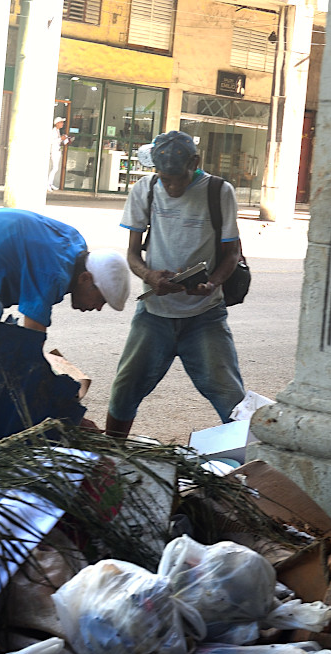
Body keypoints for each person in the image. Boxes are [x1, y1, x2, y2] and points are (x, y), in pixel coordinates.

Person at [104, 131, 245, 438]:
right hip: (154, 314)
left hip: (205, 315)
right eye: (164, 178)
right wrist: (149, 276)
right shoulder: (146, 189)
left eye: (176, 178)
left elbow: (232, 252)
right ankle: (109, 456)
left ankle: (253, 468)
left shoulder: (219, 192)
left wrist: (212, 283)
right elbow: (131, 253)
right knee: (124, 390)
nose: (170, 185)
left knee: (231, 399)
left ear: (195, 163)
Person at [0, 208, 130, 332]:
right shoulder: (54, 273)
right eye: (101, 299)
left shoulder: (74, 246)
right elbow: (32, 334)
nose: (98, 308)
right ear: (85, 278)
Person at [48, 116, 71, 191]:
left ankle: (50, 184)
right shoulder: (53, 131)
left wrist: (63, 139)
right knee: (55, 168)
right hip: (54, 151)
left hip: (57, 151)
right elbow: (51, 141)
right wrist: (61, 138)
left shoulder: (57, 131)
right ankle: (48, 184)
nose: (62, 124)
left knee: (55, 168)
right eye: (61, 122)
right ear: (57, 123)